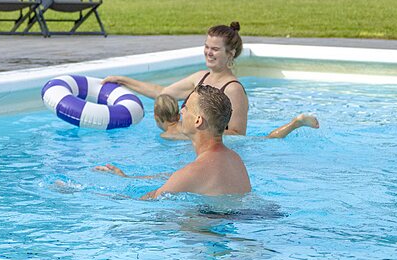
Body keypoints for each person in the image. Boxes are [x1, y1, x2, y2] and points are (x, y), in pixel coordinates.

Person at [105, 21, 318, 138]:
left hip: (218, 147)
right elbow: (162, 92)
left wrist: (190, 133)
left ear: (230, 54)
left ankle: (295, 123)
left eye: (215, 49)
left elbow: (237, 134)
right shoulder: (200, 77)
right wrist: (124, 81)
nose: (208, 52)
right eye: (207, 47)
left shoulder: (233, 89)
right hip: (200, 143)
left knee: (265, 141)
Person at [97, 84, 251, 199]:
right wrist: (128, 178)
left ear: (198, 121)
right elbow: (175, 178)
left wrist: (100, 195)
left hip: (205, 232)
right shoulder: (235, 160)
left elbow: (145, 201)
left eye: (186, 107)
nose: (181, 111)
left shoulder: (192, 172)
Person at [153, 93, 319, 140]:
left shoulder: (167, 135)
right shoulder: (188, 122)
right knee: (262, 138)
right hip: (218, 133)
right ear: (177, 112)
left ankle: (295, 123)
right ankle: (295, 123)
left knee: (267, 139)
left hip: (218, 139)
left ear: (156, 116)